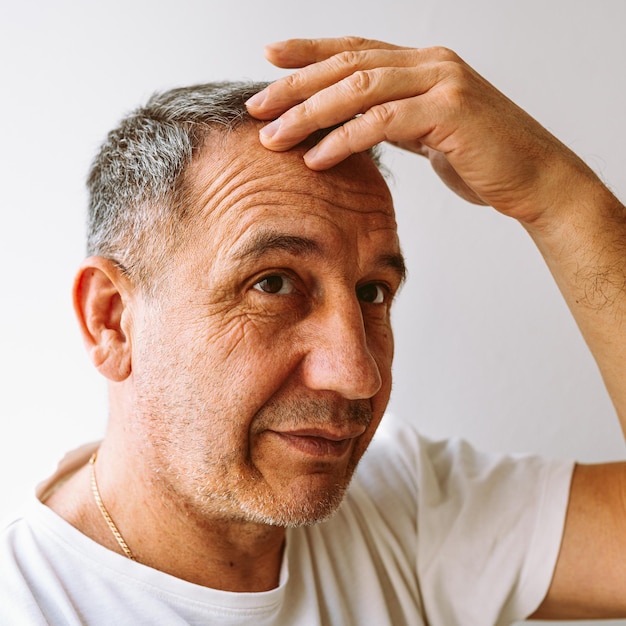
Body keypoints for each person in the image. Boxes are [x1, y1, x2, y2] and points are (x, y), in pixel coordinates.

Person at [2, 36, 626, 625]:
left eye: (372, 292)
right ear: (112, 321)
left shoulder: (403, 510)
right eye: (273, 284)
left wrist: (560, 199)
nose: (358, 374)